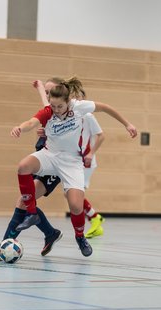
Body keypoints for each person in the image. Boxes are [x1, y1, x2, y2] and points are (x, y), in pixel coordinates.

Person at [11, 78, 137, 257]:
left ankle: (80, 237)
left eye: (59, 107)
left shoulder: (80, 107)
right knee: (23, 166)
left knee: (76, 206)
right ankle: (32, 213)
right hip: (50, 156)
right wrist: (19, 128)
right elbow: (31, 122)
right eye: (52, 106)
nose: (55, 110)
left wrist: (127, 124)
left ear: (68, 102)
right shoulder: (50, 109)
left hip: (71, 162)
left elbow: (106, 107)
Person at [34, 78, 105, 238]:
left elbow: (101, 136)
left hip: (83, 160)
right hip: (70, 159)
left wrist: (91, 153)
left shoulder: (86, 114)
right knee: (70, 194)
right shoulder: (65, 114)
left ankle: (95, 218)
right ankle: (94, 217)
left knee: (73, 195)